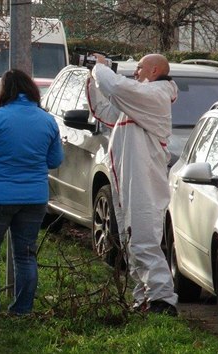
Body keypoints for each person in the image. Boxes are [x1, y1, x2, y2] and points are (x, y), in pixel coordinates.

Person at [0, 69, 64, 321]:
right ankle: (23, 310)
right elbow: (55, 160)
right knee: (26, 255)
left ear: (3, 91)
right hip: (34, 199)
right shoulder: (47, 120)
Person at [87, 53, 179, 316]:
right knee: (132, 241)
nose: (134, 73)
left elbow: (116, 86)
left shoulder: (155, 95)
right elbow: (106, 111)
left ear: (154, 69)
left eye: (138, 68)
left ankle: (162, 299)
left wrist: (101, 69)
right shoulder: (141, 100)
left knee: (144, 240)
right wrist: (93, 78)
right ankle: (144, 298)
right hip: (130, 178)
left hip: (144, 181)